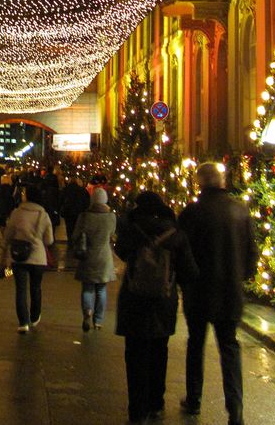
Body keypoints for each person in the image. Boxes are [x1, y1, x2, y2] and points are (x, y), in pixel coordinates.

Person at [177, 163, 258, 424]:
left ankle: (194, 400)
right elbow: (251, 254)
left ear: (200, 182)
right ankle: (236, 409)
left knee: (196, 344)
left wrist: (184, 280)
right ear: (222, 181)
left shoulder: (192, 212)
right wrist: (240, 276)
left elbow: (182, 252)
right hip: (230, 292)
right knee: (229, 347)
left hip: (198, 291)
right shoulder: (240, 210)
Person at [115, 191, 197, 424]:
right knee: (159, 351)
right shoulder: (175, 233)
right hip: (164, 300)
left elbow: (120, 251)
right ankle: (155, 402)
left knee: (135, 355)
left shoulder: (132, 229)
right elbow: (189, 270)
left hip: (134, 299)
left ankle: (137, 410)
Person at [3, 183, 54, 333]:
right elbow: (49, 240)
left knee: (21, 289)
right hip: (38, 258)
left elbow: (8, 235)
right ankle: (34, 316)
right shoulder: (43, 215)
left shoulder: (17, 213)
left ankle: (23, 322)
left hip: (19, 256)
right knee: (36, 288)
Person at [70, 186, 116, 331]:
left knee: (87, 288)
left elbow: (75, 235)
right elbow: (112, 235)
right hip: (104, 257)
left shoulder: (84, 216)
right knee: (101, 289)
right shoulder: (111, 217)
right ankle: (98, 320)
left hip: (88, 256)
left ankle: (87, 312)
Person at [59, 175, 91, 245]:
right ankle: (77, 243)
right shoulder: (82, 190)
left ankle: (70, 241)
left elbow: (60, 200)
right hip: (79, 212)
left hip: (68, 212)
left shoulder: (65, 190)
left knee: (69, 228)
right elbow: (87, 202)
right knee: (78, 227)